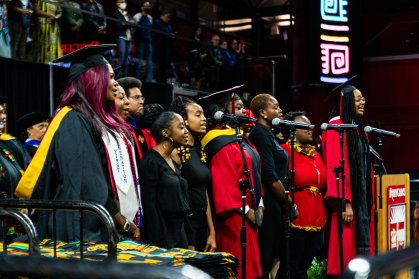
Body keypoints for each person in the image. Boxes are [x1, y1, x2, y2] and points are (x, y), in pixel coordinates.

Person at [15, 45, 141, 243]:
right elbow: (88, 184)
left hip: (93, 222)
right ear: (94, 80)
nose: (116, 85)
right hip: (80, 228)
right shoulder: (73, 120)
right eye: (110, 77)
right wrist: (118, 219)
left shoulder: (88, 119)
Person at [199, 89, 263, 279]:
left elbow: (255, 172)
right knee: (238, 266)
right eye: (240, 107)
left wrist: (259, 204)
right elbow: (225, 182)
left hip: (250, 212)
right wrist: (246, 210)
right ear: (223, 110)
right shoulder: (216, 140)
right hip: (233, 216)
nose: (245, 112)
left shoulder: (239, 137)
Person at [322, 76, 374, 275]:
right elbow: (335, 167)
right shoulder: (337, 129)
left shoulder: (358, 130)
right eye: (358, 98)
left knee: (361, 247)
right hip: (348, 202)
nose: (363, 102)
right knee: (345, 250)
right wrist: (345, 202)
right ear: (346, 101)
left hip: (361, 199)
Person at [247, 93, 297, 279]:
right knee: (265, 259)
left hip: (276, 204)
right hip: (268, 204)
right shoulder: (259, 134)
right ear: (262, 112)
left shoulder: (268, 135)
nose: (280, 110)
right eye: (275, 107)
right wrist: (290, 202)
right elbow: (268, 176)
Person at [277, 111, 327, 279]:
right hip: (295, 218)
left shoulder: (315, 154)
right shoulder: (284, 151)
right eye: (305, 126)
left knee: (303, 269)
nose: (311, 128)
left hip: (316, 218)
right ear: (293, 130)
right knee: (290, 267)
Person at [138, 111, 195, 249]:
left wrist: (190, 240)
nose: (186, 131)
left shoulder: (172, 161)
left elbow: (182, 205)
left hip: (179, 234)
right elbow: (149, 205)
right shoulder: (150, 161)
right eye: (181, 127)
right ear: (165, 133)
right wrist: (157, 241)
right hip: (163, 237)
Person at [168, 97, 217, 252]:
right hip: (184, 227)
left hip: (201, 225)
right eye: (198, 114)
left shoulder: (200, 150)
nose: (204, 119)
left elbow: (204, 192)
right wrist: (187, 236)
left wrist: (212, 231)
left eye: (203, 114)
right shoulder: (176, 152)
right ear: (183, 119)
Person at [0, 105, 31, 199]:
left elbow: (28, 172)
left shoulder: (12, 145)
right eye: (0, 113)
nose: (4, 116)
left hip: (17, 207)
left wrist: (26, 203)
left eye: (3, 112)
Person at [151, 10, 174, 84]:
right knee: (159, 66)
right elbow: (155, 34)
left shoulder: (169, 26)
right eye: (167, 17)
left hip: (167, 50)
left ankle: (164, 81)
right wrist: (166, 35)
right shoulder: (156, 22)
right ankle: (158, 81)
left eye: (169, 18)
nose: (168, 19)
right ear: (162, 16)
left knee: (165, 67)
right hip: (159, 49)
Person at [114, 0, 134, 78]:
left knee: (126, 58)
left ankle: (125, 76)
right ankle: (117, 76)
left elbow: (134, 23)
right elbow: (120, 25)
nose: (123, 3)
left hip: (128, 38)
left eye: (124, 1)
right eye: (121, 1)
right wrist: (129, 22)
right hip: (121, 37)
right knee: (121, 57)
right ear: (117, 4)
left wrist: (127, 22)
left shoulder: (127, 13)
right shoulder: (116, 14)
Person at [133, 1, 152, 82]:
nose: (148, 8)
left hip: (148, 41)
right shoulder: (137, 16)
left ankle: (149, 80)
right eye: (146, 6)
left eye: (149, 6)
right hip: (140, 41)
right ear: (142, 7)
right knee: (139, 62)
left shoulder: (150, 18)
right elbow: (133, 29)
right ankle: (137, 80)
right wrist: (132, 40)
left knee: (150, 62)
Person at [188, 25, 205, 90]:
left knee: (199, 76)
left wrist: (204, 54)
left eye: (200, 30)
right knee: (193, 75)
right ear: (195, 31)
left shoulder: (201, 40)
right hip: (193, 60)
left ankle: (197, 91)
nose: (199, 32)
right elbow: (192, 50)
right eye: (198, 30)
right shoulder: (192, 39)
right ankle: (192, 91)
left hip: (200, 61)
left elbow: (204, 49)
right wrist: (198, 54)